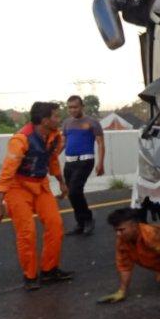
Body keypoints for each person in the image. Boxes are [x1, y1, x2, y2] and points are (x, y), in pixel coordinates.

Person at [0, 102, 74, 290]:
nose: (59, 119)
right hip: (17, 188)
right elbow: (7, 172)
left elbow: (52, 160)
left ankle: (50, 271)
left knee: (55, 225)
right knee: (27, 233)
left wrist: (61, 182)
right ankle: (30, 276)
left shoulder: (54, 136)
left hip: (40, 185)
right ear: (44, 120)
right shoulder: (21, 140)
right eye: (56, 116)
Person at [62, 95, 105, 235]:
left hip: (85, 161)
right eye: (70, 107)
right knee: (72, 194)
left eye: (75, 107)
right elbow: (62, 143)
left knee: (75, 191)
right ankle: (80, 224)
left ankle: (88, 219)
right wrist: (50, 157)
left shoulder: (92, 122)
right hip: (69, 162)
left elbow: (100, 143)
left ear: (82, 107)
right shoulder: (66, 123)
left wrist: (101, 163)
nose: (72, 110)